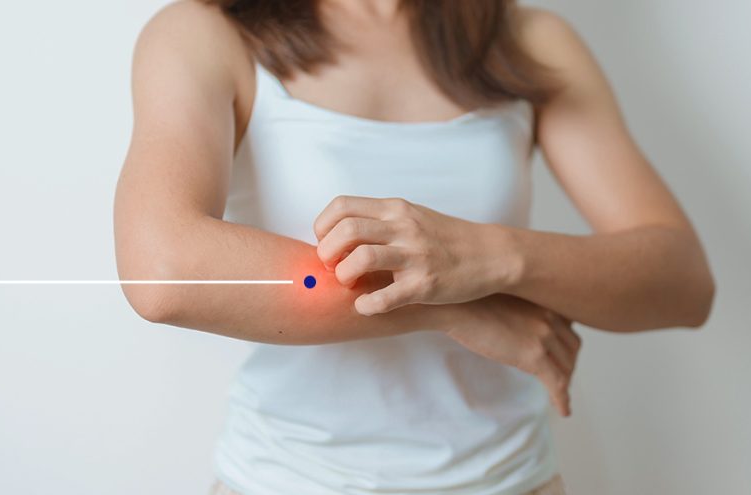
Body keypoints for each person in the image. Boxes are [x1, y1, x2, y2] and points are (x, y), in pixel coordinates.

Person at [113, 1, 715, 493]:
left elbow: (682, 282)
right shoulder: (206, 32)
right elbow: (164, 272)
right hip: (286, 478)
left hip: (509, 480)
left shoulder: (529, 41)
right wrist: (455, 307)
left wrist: (490, 256)